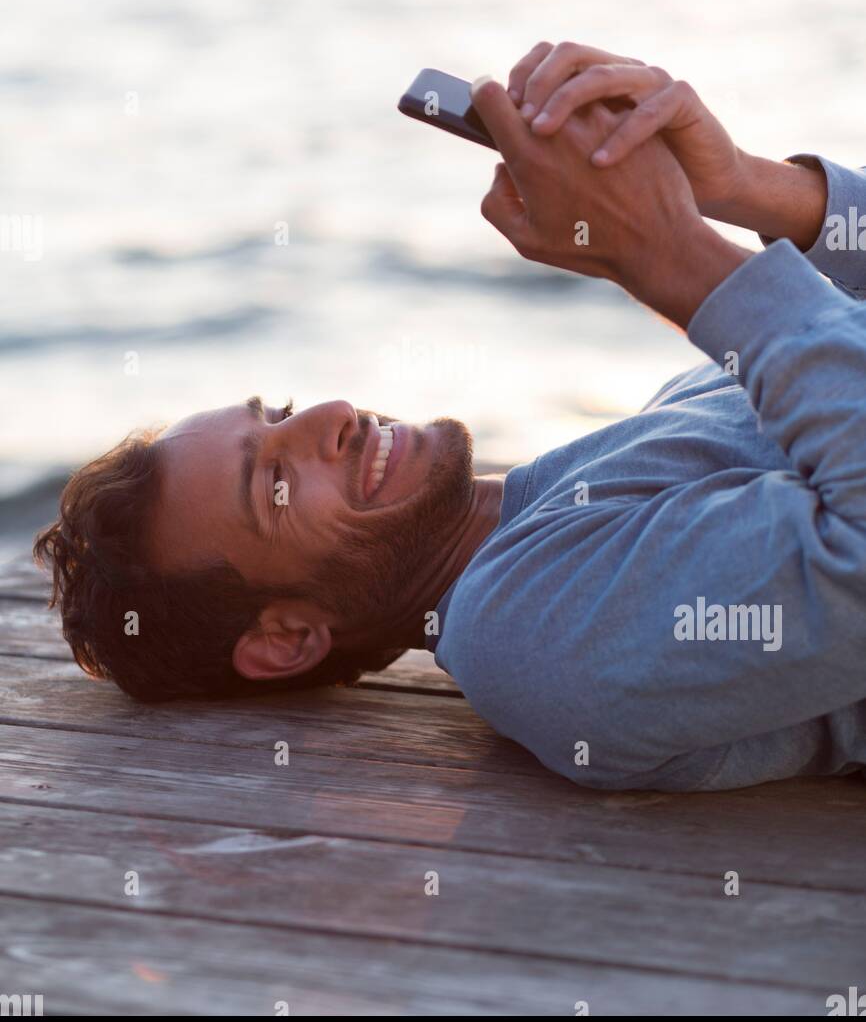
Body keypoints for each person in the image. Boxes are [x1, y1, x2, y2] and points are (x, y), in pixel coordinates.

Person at [35, 40, 866, 791]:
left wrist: (751, 191)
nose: (333, 414)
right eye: (276, 480)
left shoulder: (638, 439)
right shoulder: (529, 637)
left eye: (280, 412)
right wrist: (669, 254)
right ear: (288, 636)